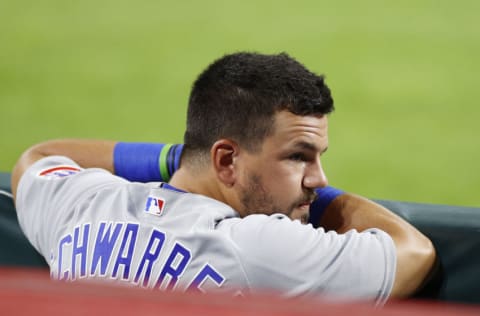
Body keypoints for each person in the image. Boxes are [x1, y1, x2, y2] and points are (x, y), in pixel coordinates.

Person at [12, 52, 436, 304]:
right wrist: (320, 201)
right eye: (298, 157)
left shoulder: (82, 205)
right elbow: (414, 252)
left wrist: (174, 160)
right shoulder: (257, 248)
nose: (318, 178)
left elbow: (41, 156)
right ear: (227, 160)